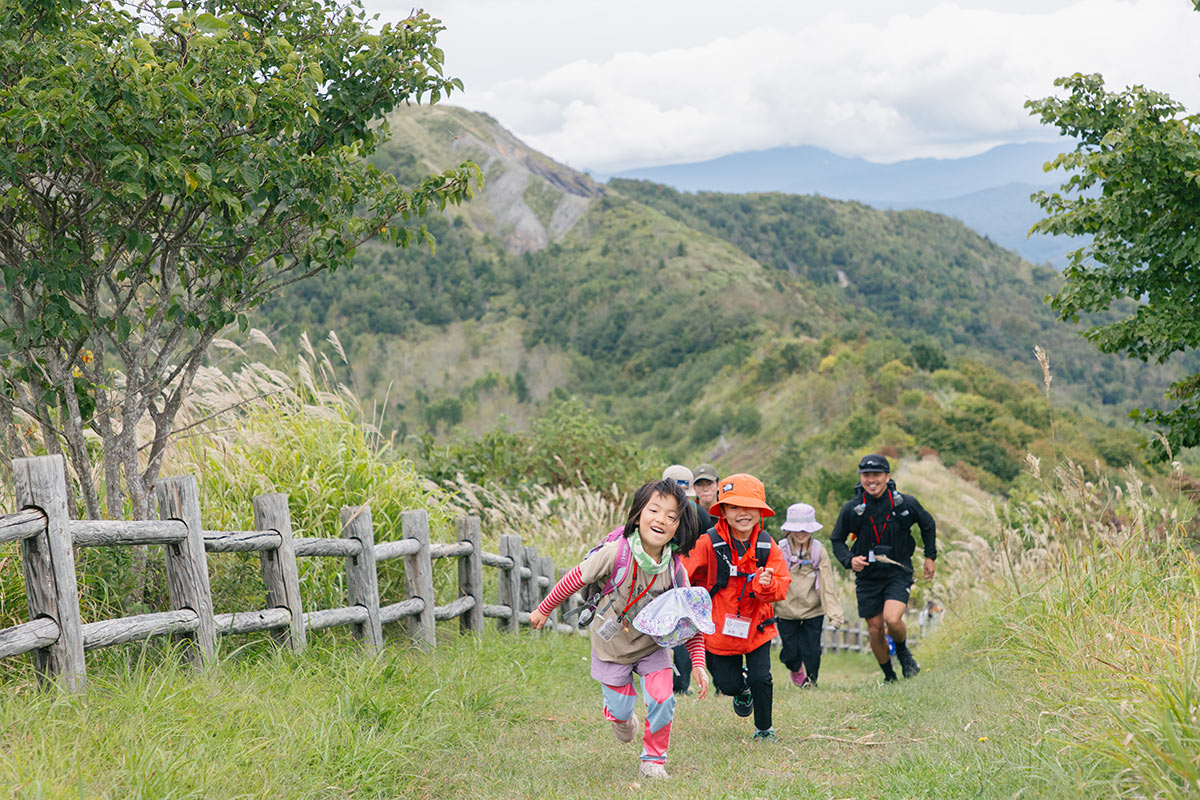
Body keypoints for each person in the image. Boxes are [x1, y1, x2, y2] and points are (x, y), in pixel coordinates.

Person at [530, 478, 709, 780]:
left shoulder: (675, 569)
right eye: (654, 510)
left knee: (662, 698)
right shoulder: (616, 552)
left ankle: (654, 760)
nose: (661, 520)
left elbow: (689, 619)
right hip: (611, 646)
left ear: (679, 527)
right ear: (638, 514)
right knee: (621, 713)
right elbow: (575, 578)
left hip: (652, 645)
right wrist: (545, 608)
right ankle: (622, 720)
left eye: (671, 516)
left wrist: (699, 663)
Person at [683, 473, 790, 741]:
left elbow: (781, 585)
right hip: (719, 630)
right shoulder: (708, 542)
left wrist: (765, 584)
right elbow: (684, 574)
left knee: (761, 677)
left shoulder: (766, 544)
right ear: (724, 512)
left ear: (760, 511)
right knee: (728, 685)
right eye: (734, 507)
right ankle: (742, 691)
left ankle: (764, 729)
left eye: (750, 506)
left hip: (757, 627)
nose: (743, 513)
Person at [829, 454, 936, 683]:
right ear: (861, 478)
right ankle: (889, 675)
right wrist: (849, 560)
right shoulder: (853, 508)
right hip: (868, 576)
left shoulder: (905, 503)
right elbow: (837, 540)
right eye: (866, 475)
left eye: (877, 474)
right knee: (875, 628)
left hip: (898, 571)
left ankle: (904, 653)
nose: (872, 480)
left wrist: (930, 557)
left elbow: (928, 524)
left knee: (892, 619)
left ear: (887, 476)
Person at [774, 502, 845, 688]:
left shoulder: (818, 550)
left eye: (805, 528)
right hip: (786, 609)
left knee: (812, 648)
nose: (801, 532)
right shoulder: (780, 550)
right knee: (790, 652)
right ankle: (795, 667)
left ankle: (811, 681)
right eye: (796, 528)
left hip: (813, 608)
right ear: (789, 529)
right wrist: (767, 611)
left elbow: (827, 584)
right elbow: (772, 580)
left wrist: (835, 614)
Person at [662, 464, 713, 695]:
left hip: (684, 577)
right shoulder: (695, 512)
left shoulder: (698, 514)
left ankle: (680, 685)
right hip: (664, 574)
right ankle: (667, 681)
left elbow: (710, 547)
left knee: (683, 629)